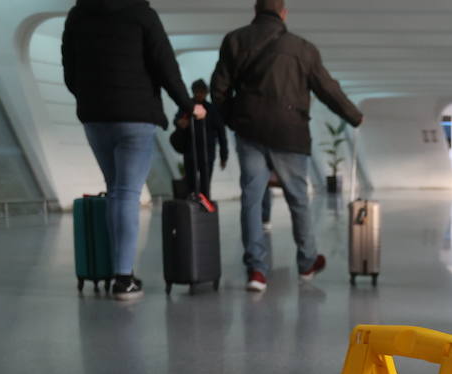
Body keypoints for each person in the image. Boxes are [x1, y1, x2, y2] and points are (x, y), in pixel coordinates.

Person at [212, 0, 362, 292]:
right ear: (283, 13)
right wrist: (354, 116)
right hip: (290, 132)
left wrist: (236, 119)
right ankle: (306, 263)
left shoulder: (235, 40)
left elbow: (219, 89)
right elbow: (327, 88)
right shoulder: (302, 48)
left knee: (251, 200)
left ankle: (257, 270)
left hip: (249, 130)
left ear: (256, 11)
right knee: (297, 199)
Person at [62, 0, 204, 302]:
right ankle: (123, 278)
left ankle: (119, 271)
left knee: (115, 190)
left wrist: (93, 98)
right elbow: (166, 67)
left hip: (95, 116)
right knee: (126, 193)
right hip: (136, 116)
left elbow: (70, 73)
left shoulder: (78, 14)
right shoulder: (142, 14)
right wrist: (189, 106)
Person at [171, 78, 227, 197]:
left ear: (206, 93)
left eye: (202, 92)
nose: (199, 95)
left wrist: (224, 155)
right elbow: (177, 120)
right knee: (191, 181)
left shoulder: (212, 109)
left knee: (205, 183)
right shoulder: (187, 107)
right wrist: (180, 123)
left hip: (208, 152)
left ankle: (204, 206)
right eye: (197, 92)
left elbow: (222, 133)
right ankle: (192, 206)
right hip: (190, 150)